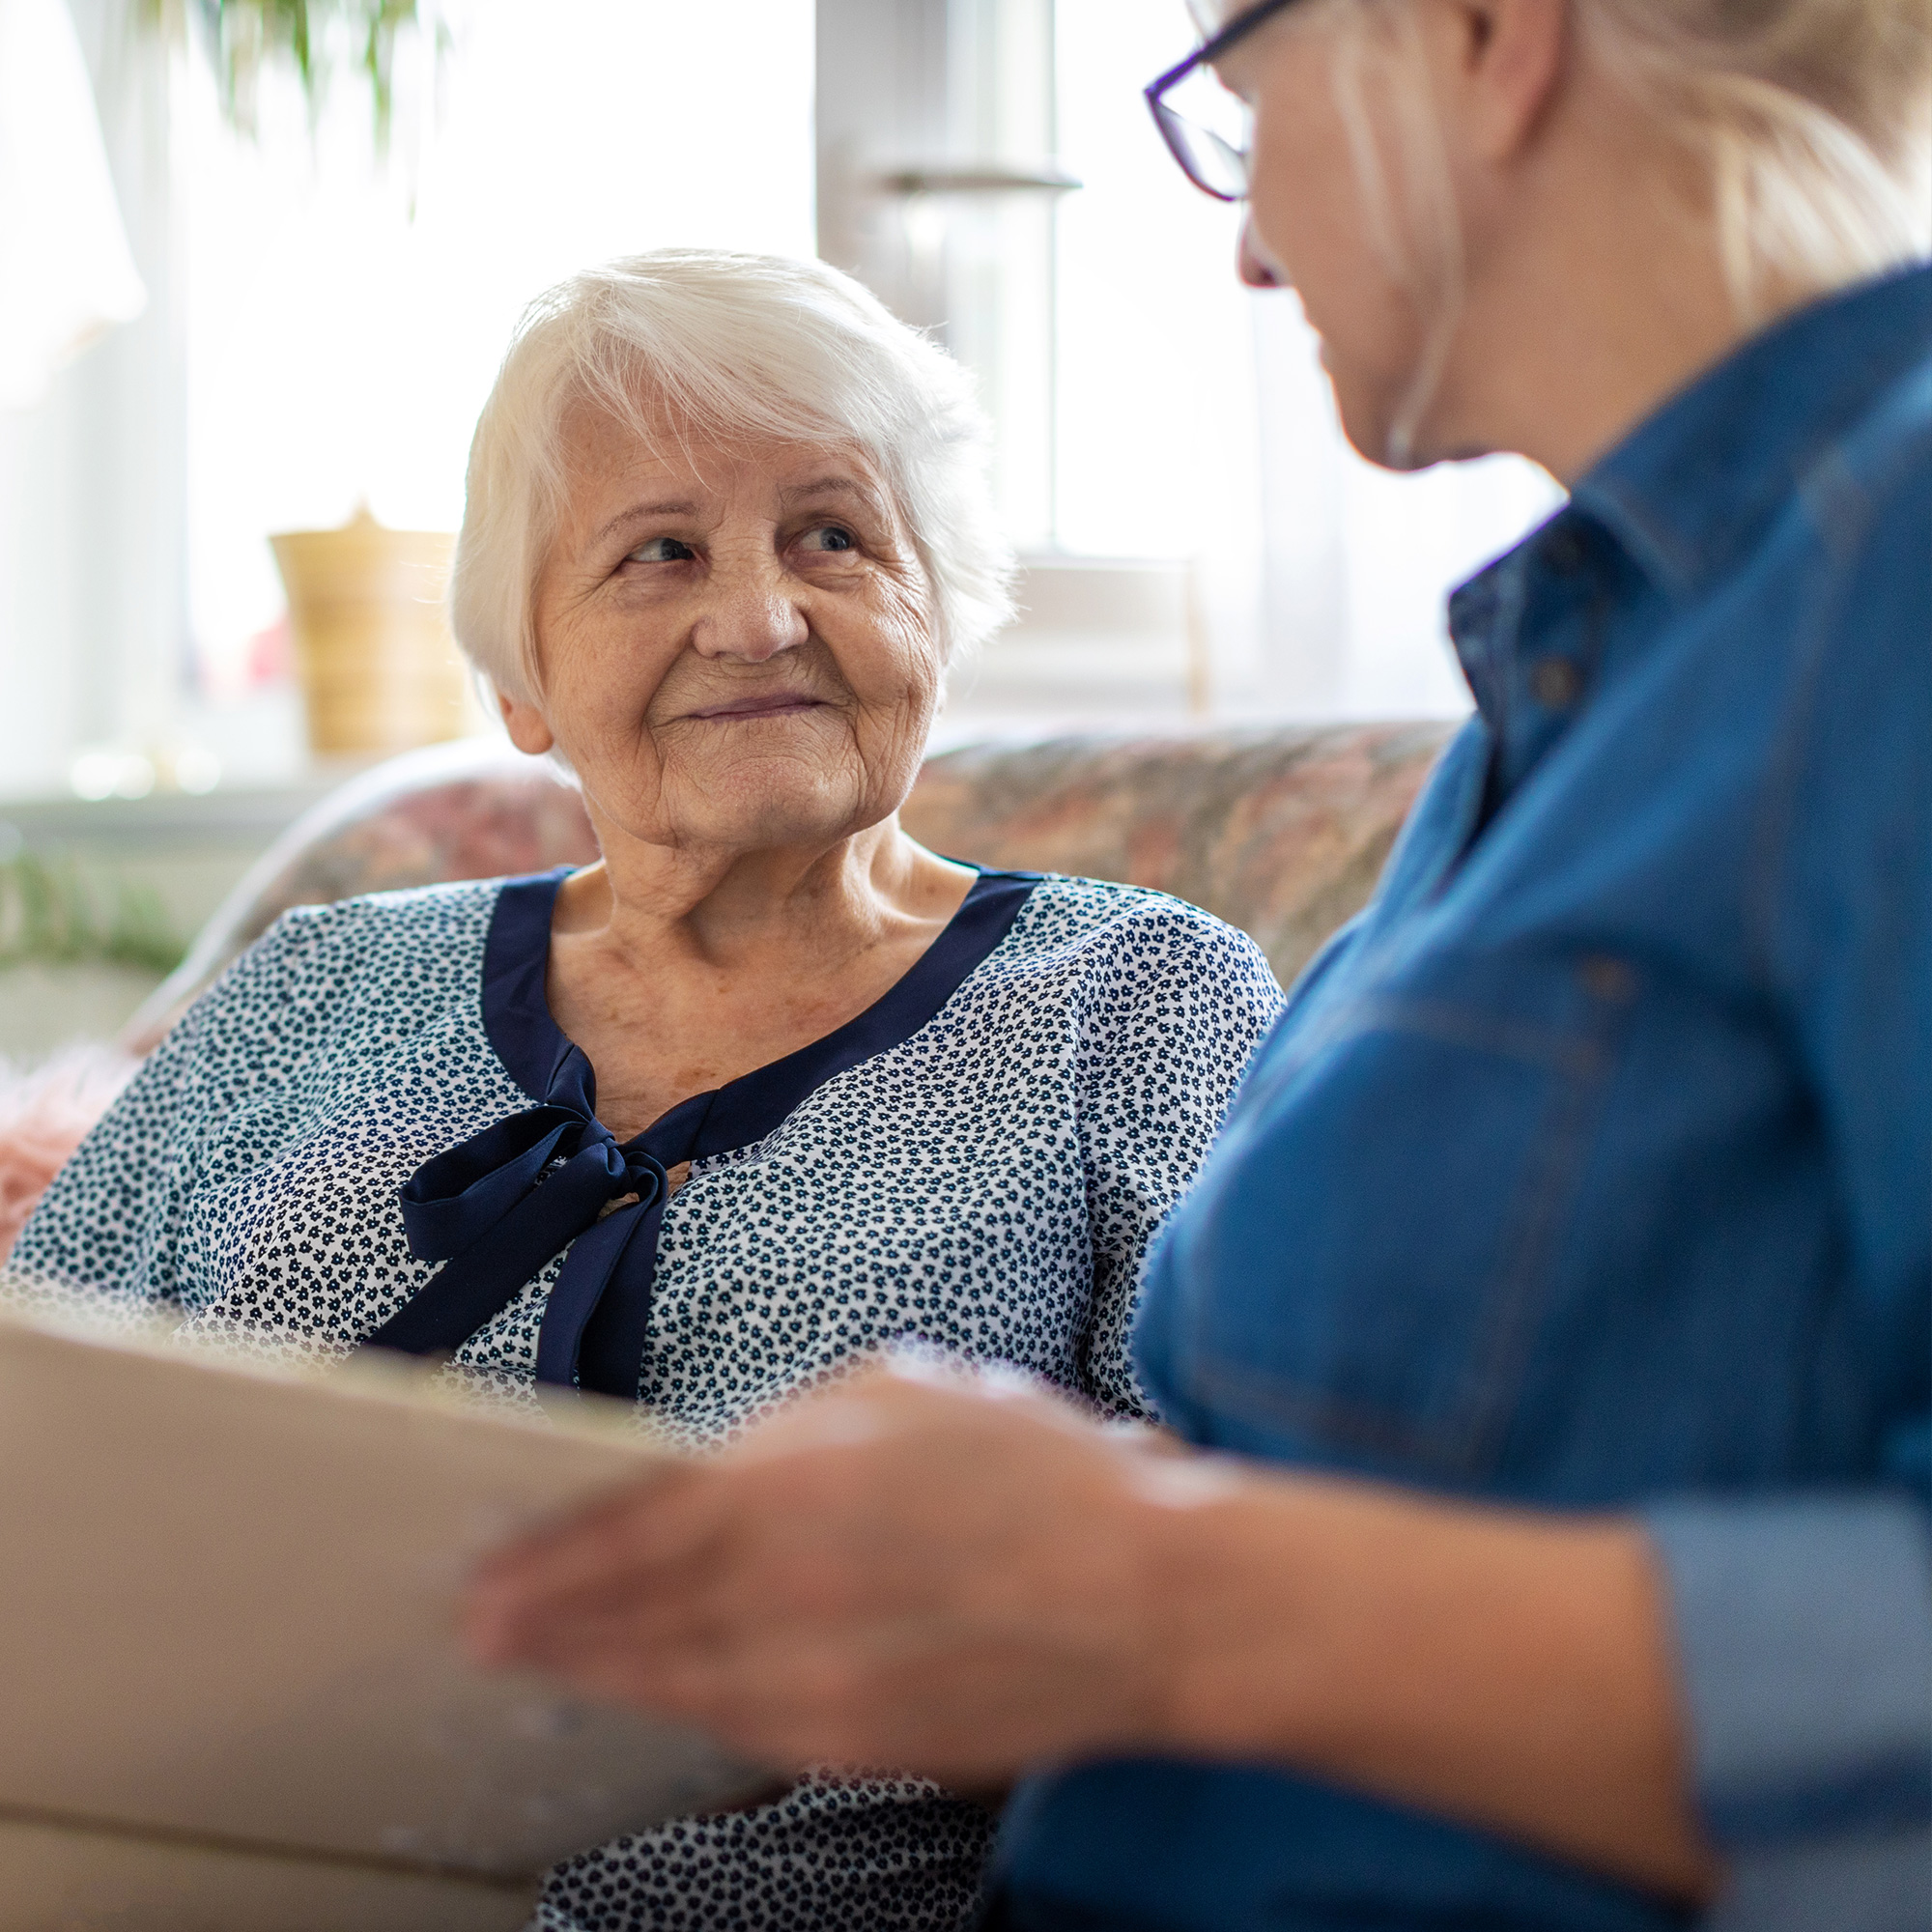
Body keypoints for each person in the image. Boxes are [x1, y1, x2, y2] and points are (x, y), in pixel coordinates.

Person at [460, 2, 1932, 1929]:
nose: (1245, 246)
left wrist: (1147, 1592)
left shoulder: (1885, 579)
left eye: (1240, 109)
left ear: (1481, 36)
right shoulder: (1566, 689)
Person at [2, 250, 1285, 1931]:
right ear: (523, 680)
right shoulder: (315, 983)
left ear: (941, 615)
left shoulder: (1140, 997)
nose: (758, 616)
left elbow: (1237, 1574)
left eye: (833, 536)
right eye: (658, 551)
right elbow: (41, 1432)